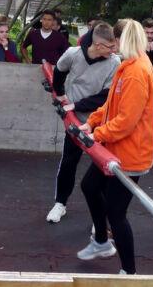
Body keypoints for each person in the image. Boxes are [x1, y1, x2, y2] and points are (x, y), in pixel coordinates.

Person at [76, 19, 153, 275]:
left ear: (122, 40)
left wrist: (96, 134)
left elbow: (126, 121)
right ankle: (100, 241)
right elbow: (111, 105)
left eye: (113, 43)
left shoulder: (137, 71)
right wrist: (92, 123)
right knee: (89, 186)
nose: (111, 49)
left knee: (116, 213)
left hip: (130, 155)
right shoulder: (127, 65)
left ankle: (129, 272)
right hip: (114, 149)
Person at [46, 22, 120, 224]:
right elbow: (59, 72)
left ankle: (101, 220)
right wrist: (61, 95)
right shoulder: (73, 54)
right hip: (76, 120)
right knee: (69, 161)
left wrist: (77, 104)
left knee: (102, 169)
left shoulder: (114, 63)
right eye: (110, 47)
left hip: (99, 122)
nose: (114, 51)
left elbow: (106, 96)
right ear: (97, 45)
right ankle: (60, 203)